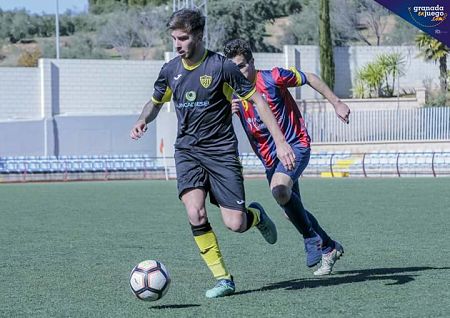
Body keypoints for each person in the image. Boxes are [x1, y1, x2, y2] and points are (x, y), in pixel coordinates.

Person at [130, 10, 296, 298]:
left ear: (199, 35)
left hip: (221, 153)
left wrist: (281, 142)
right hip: (187, 152)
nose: (177, 44)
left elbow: (256, 99)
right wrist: (144, 118)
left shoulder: (221, 67)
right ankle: (223, 278)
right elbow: (155, 102)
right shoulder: (170, 70)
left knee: (236, 224)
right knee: (195, 212)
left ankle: (255, 216)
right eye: (174, 38)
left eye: (183, 38)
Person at [223, 39, 351, 276]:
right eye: (233, 69)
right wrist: (225, 113)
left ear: (252, 62)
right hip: (270, 159)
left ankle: (311, 240)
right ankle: (329, 246)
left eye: (241, 66)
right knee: (289, 209)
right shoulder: (231, 94)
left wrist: (337, 102)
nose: (237, 72)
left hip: (295, 145)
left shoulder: (273, 77)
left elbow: (310, 77)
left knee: (280, 190)